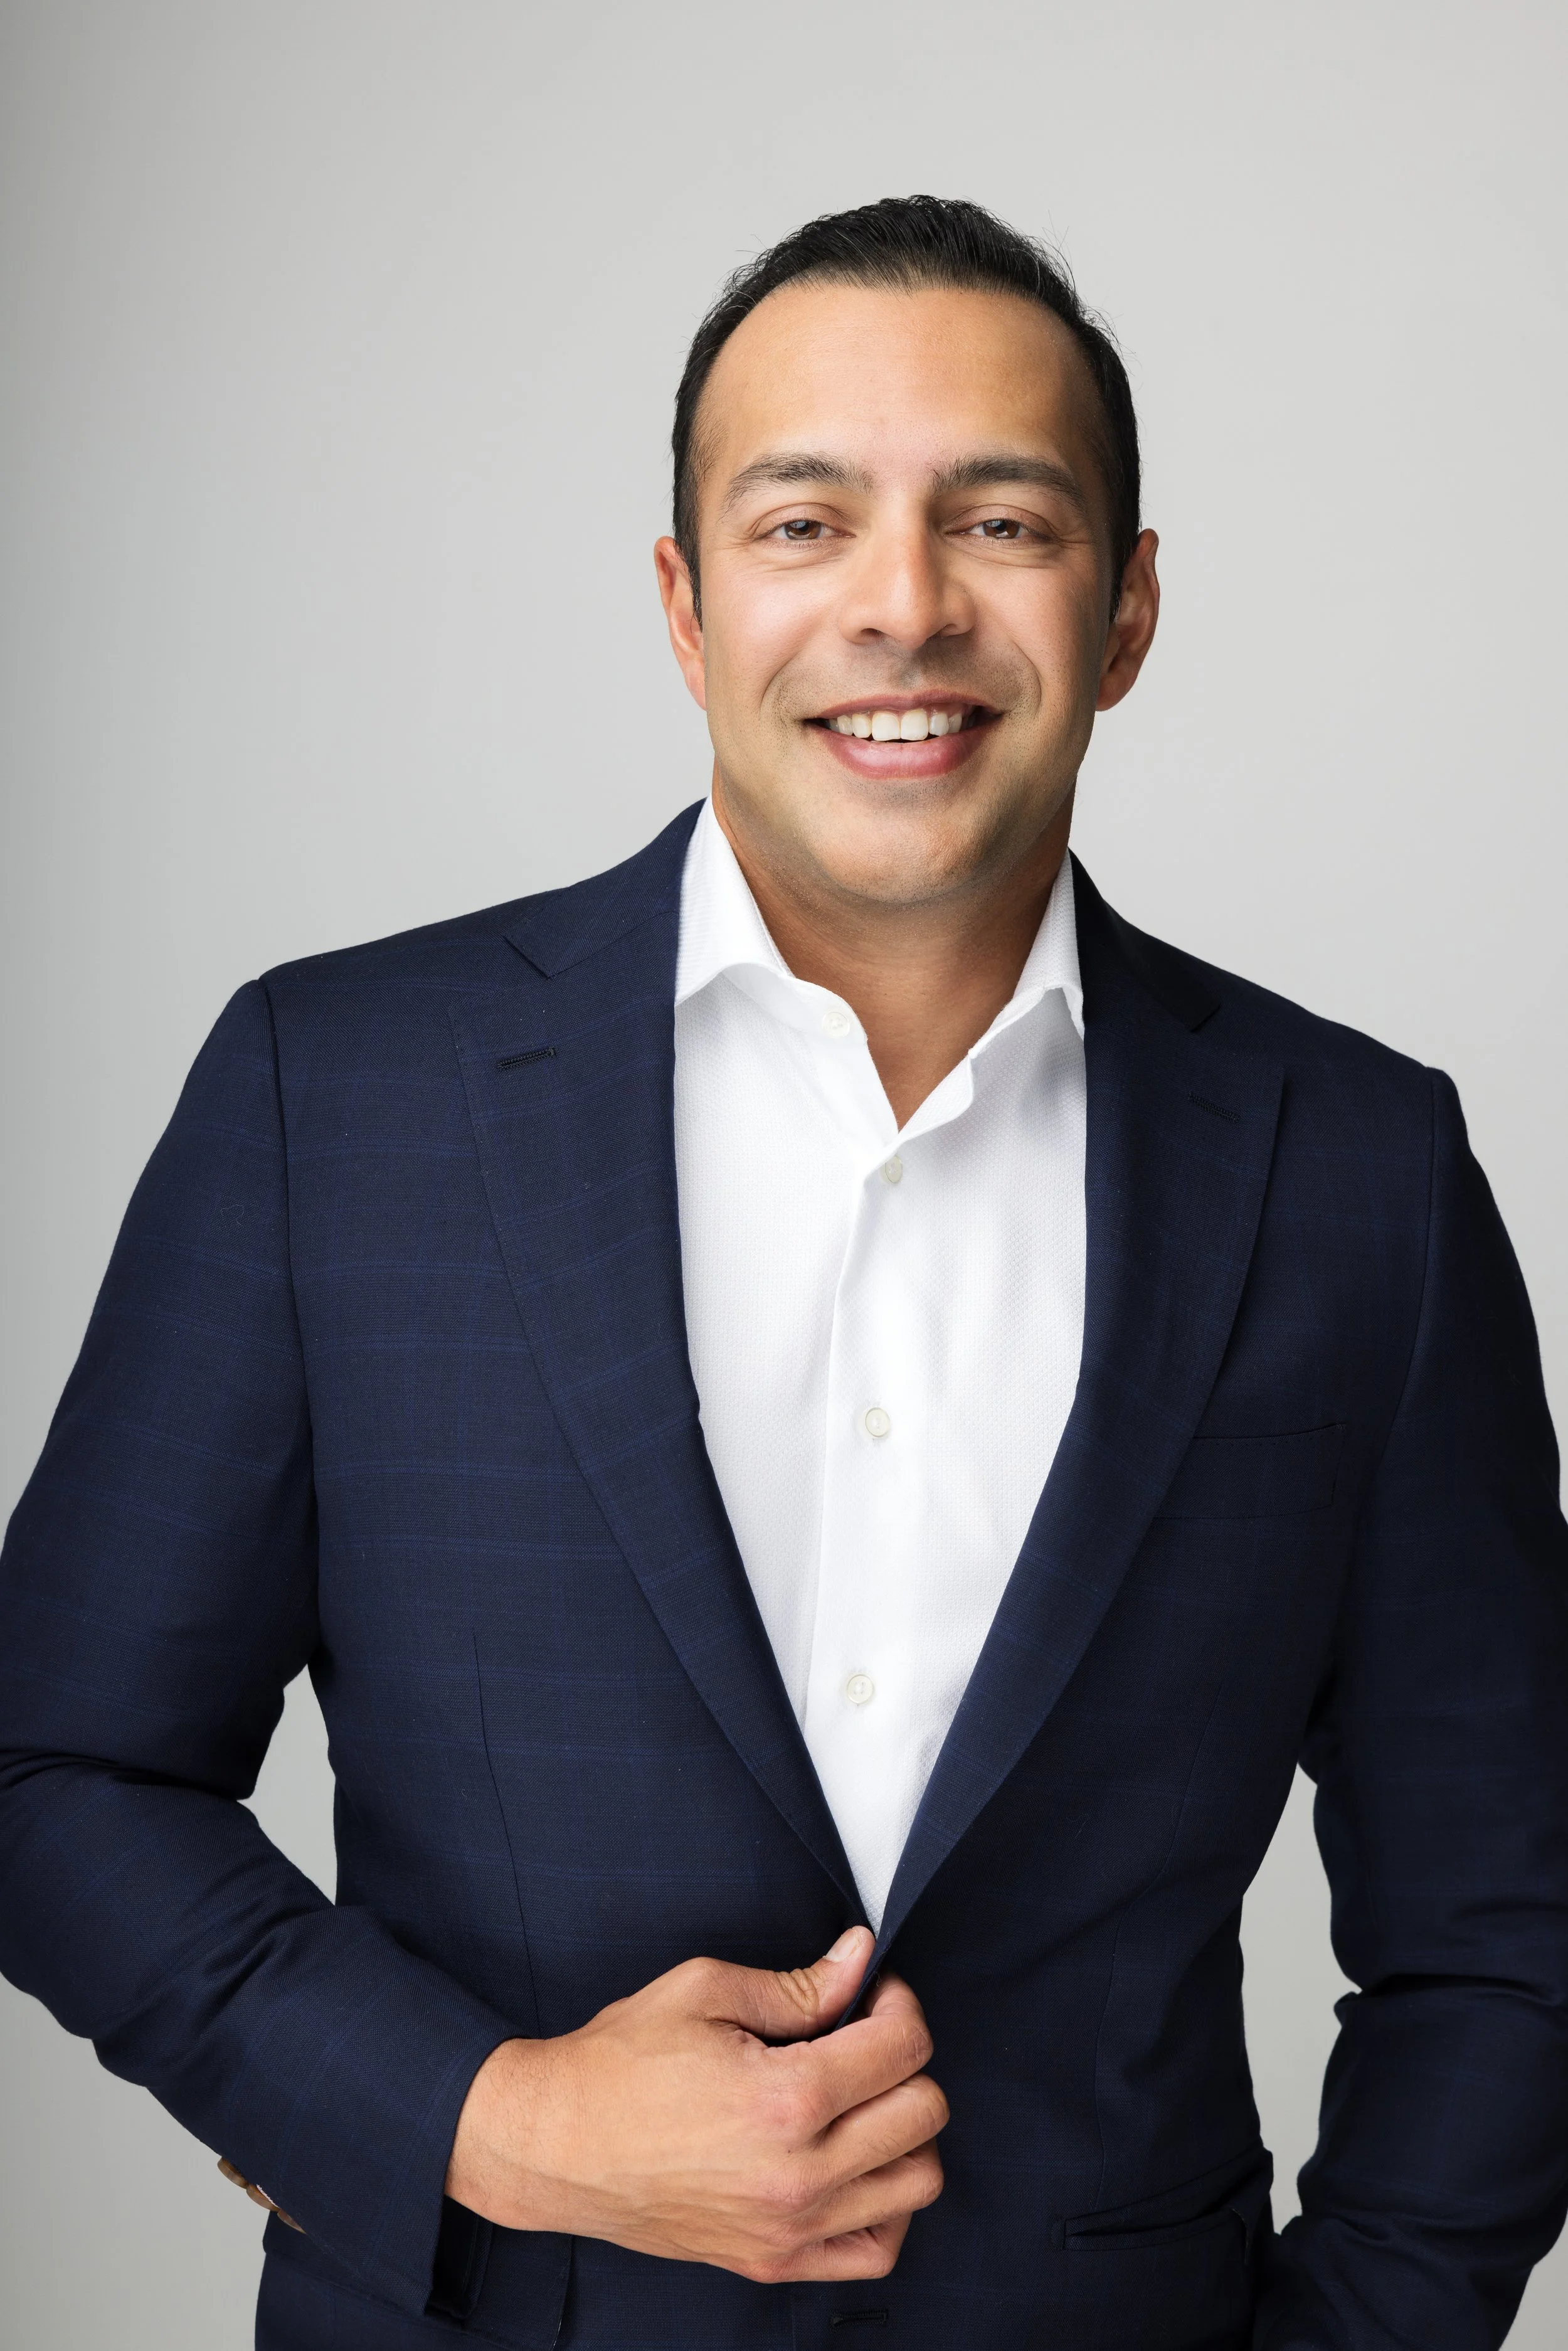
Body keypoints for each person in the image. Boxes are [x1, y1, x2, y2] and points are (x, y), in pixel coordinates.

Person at [1, 193, 1565, 2351]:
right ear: (686, 603)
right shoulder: (332, 1097)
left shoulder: (1359, 1175)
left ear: (1122, 611)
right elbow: (56, 1769)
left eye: (1001, 521)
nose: (900, 607)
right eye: (803, 520)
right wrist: (494, 2119)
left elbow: (1510, 1922)